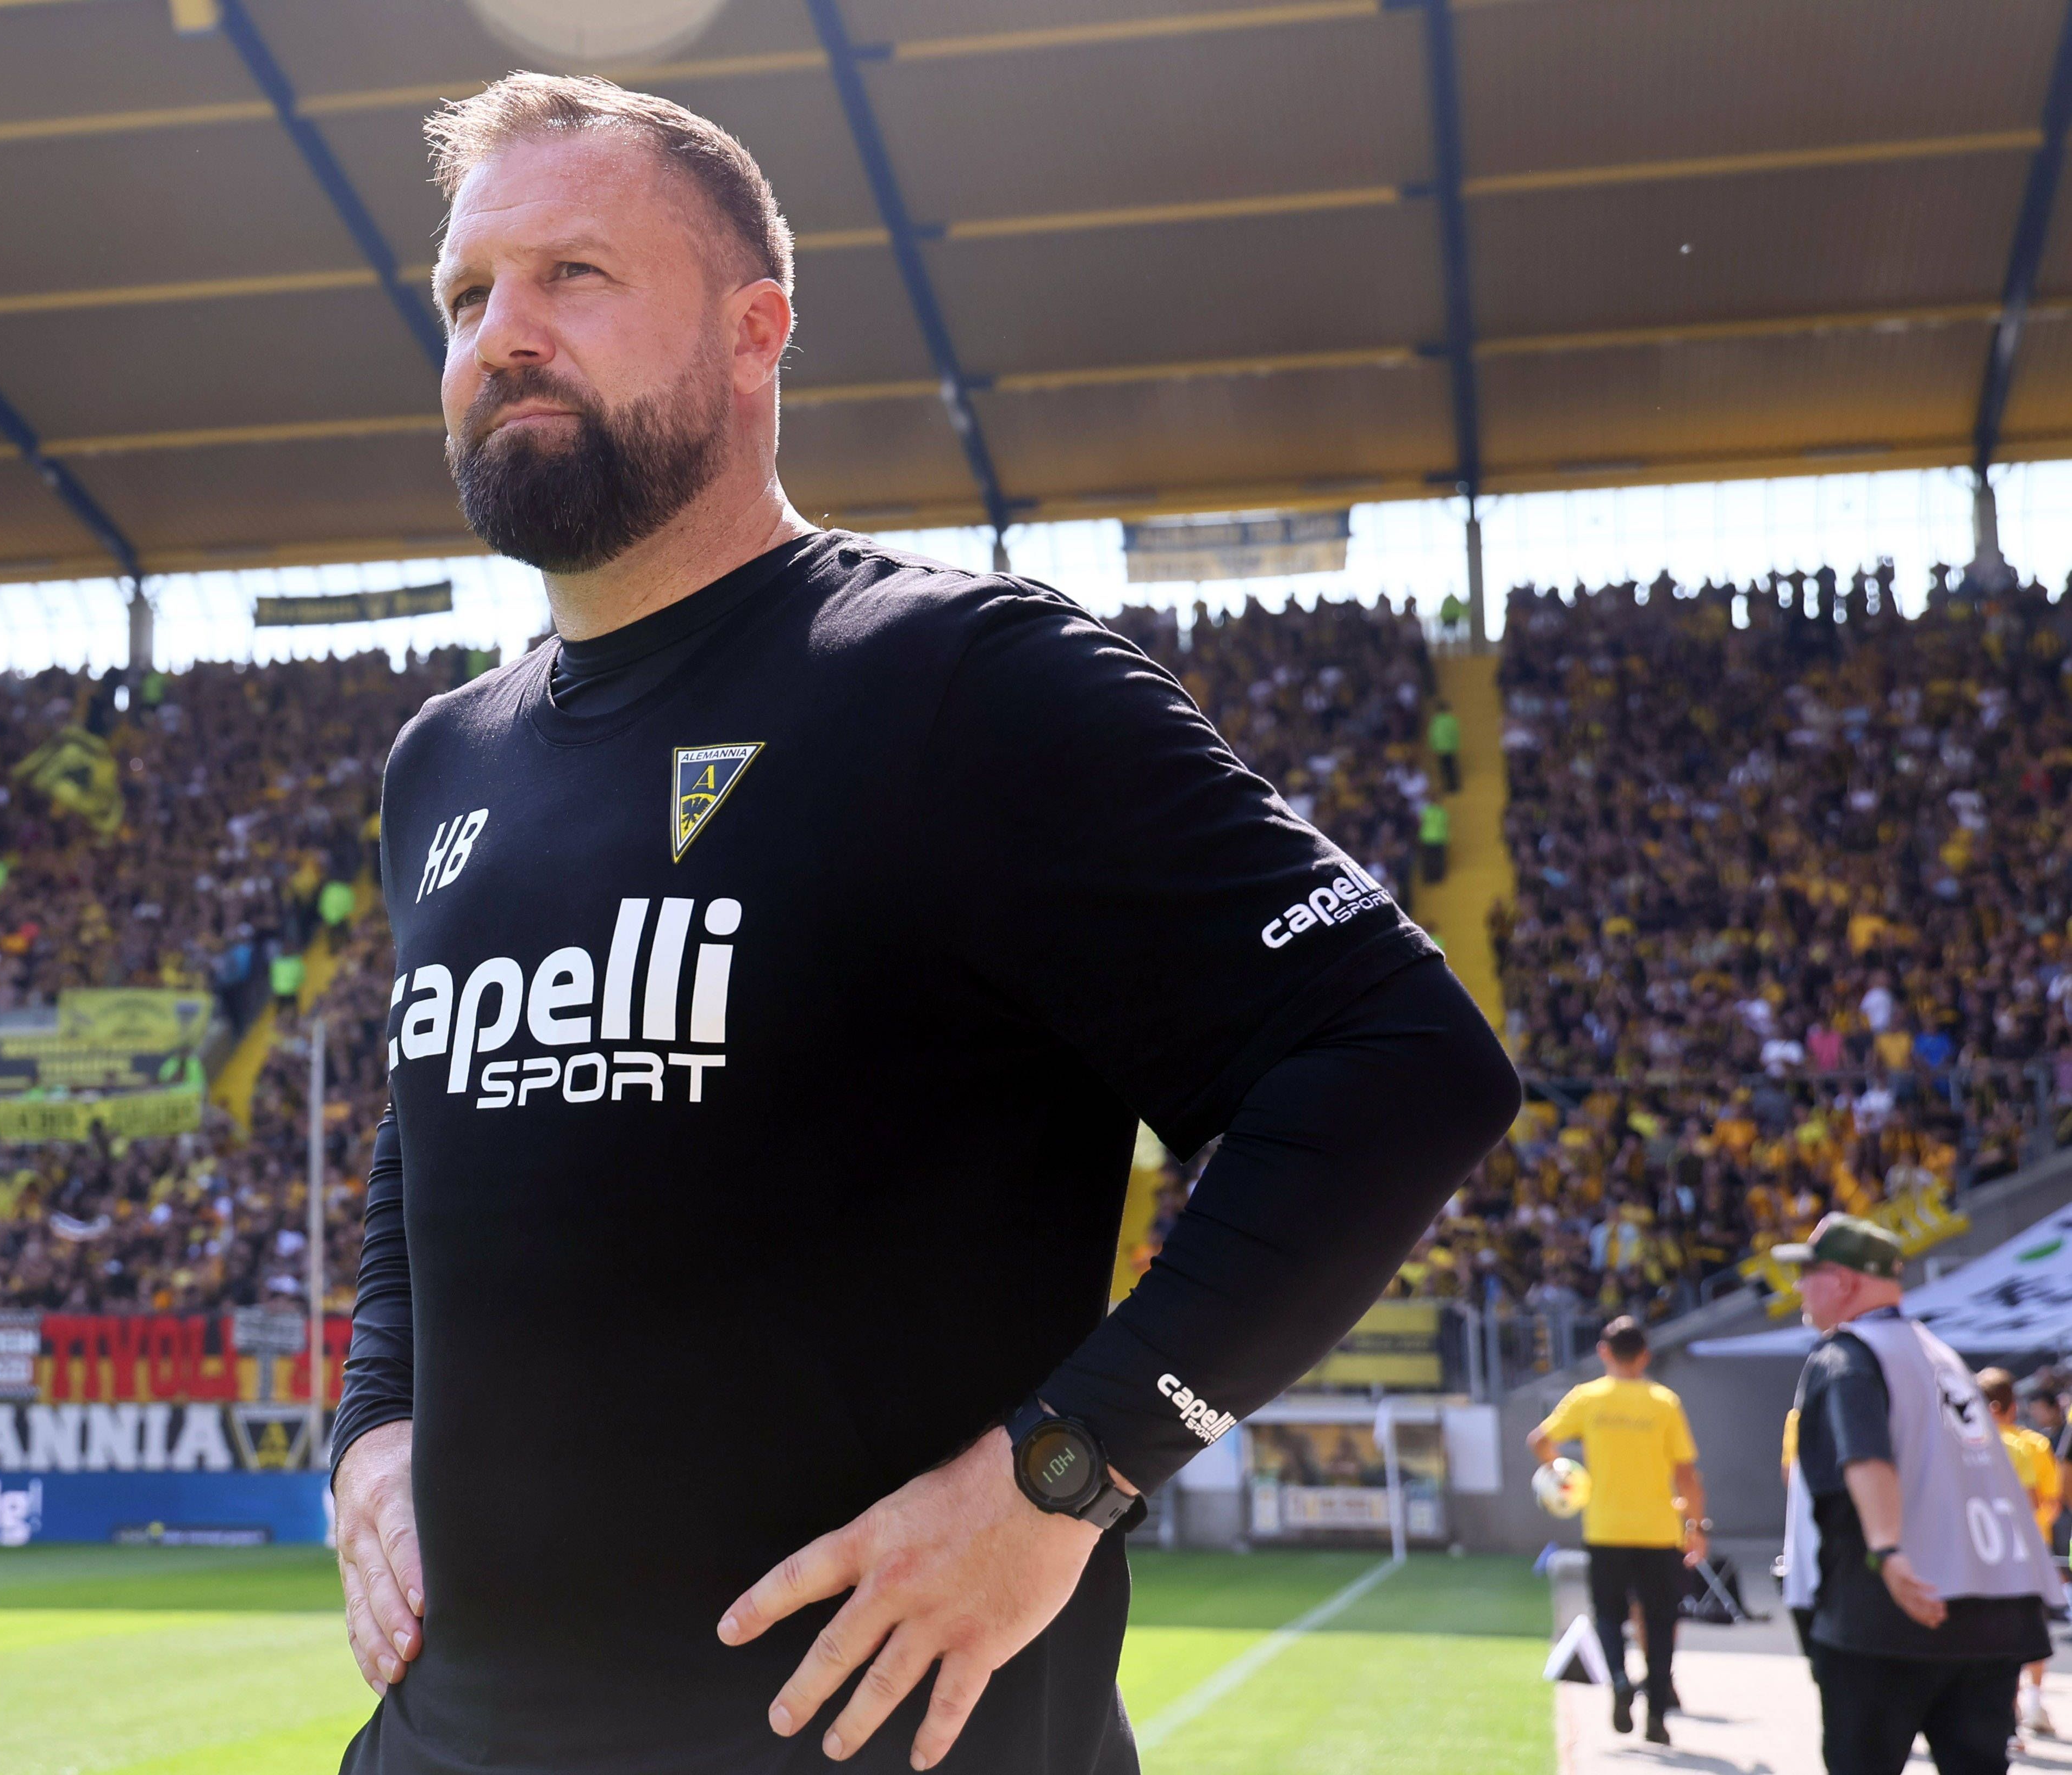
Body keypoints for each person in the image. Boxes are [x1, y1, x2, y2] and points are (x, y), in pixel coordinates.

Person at [328, 73, 1524, 1774]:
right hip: (446, 1737)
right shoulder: (441, 757)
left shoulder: (961, 678)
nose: (501, 334)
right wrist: (373, 1424)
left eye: (572, 277)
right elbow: (424, 1132)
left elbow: (1402, 1061)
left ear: (757, 334)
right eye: (466, 295)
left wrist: (1069, 1471)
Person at [1778, 1213, 2062, 1775]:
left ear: (1842, 1280)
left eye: (1807, 1272)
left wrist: (1886, 1549)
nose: (1797, 1288)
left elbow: (1865, 1455)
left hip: (1891, 1615)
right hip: (1994, 1618)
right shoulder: (1942, 1356)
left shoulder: (1849, 1355)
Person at [1529, 1315, 1708, 1744]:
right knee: (1661, 1620)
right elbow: (1686, 1474)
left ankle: (1617, 1679)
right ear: (1644, 1355)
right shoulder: (1663, 1401)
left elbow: (1540, 1439)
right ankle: (1656, 1716)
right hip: (1658, 1530)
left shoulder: (1587, 1398)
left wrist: (1561, 1476)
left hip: (1605, 1527)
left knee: (1608, 1615)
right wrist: (1696, 1527)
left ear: (1603, 1352)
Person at [1976, 1368, 2061, 1742]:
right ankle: (2031, 1701)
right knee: (2028, 1631)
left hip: (1978, 1552)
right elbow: (2045, 1502)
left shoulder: (1961, 1443)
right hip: (2027, 1554)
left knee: (1990, 1633)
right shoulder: (2028, 1445)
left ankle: (2005, 1712)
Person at [1428, 698, 1461, 793]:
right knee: (1452, 768)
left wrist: (1433, 747)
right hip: (1450, 748)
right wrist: (1456, 746)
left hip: (1440, 748)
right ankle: (1455, 786)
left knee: (1444, 769)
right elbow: (1455, 733)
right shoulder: (1451, 719)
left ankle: (1447, 787)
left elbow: (1432, 735)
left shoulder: (1435, 720)